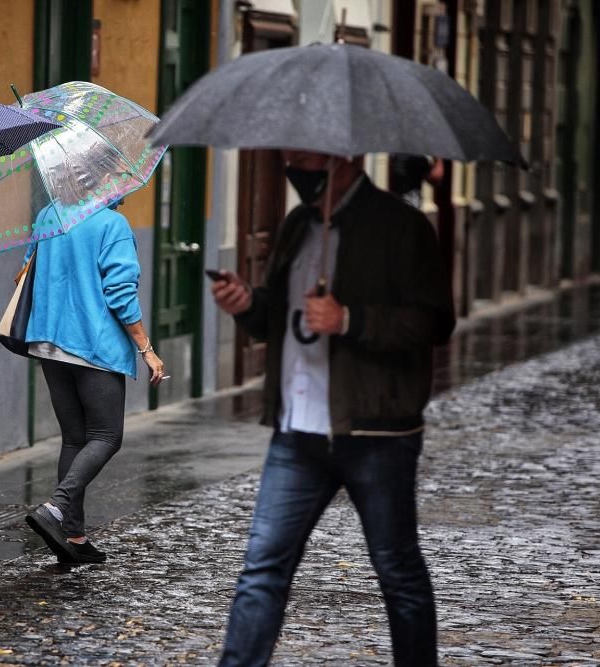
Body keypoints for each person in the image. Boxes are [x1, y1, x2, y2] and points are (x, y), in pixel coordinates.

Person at [211, 149, 455, 666]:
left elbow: (435, 322)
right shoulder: (299, 224)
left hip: (376, 434)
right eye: (291, 151)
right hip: (297, 432)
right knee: (262, 569)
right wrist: (247, 304)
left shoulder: (402, 226)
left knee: (397, 571)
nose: (294, 161)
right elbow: (280, 317)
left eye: (306, 152)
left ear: (344, 154)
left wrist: (351, 320)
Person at [22, 197, 165, 564]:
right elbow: (120, 292)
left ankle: (73, 535)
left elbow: (25, 273)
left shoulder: (48, 214)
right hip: (92, 346)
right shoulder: (111, 224)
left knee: (74, 438)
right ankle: (56, 507)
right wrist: (146, 348)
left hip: (49, 342)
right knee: (105, 437)